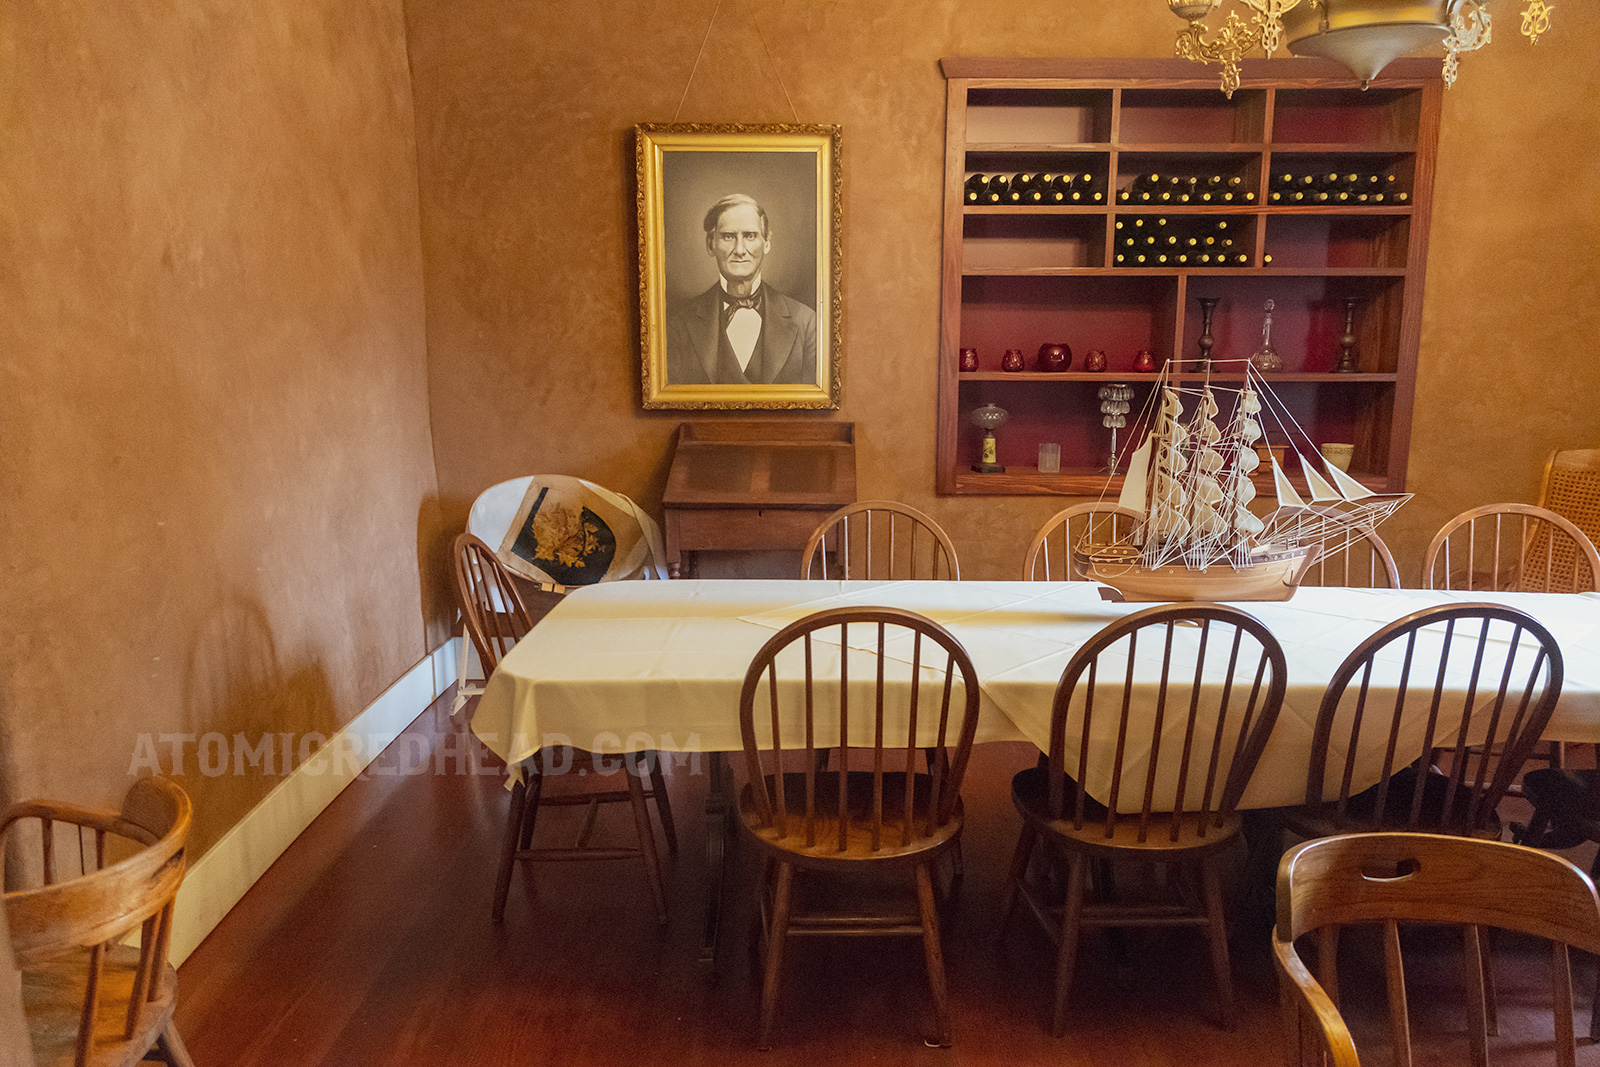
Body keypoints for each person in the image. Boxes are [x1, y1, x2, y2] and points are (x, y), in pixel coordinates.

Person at [666, 193, 818, 386]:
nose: (739, 249)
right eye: (728, 237)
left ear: (767, 243)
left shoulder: (806, 324)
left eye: (750, 236)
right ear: (711, 244)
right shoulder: (679, 327)